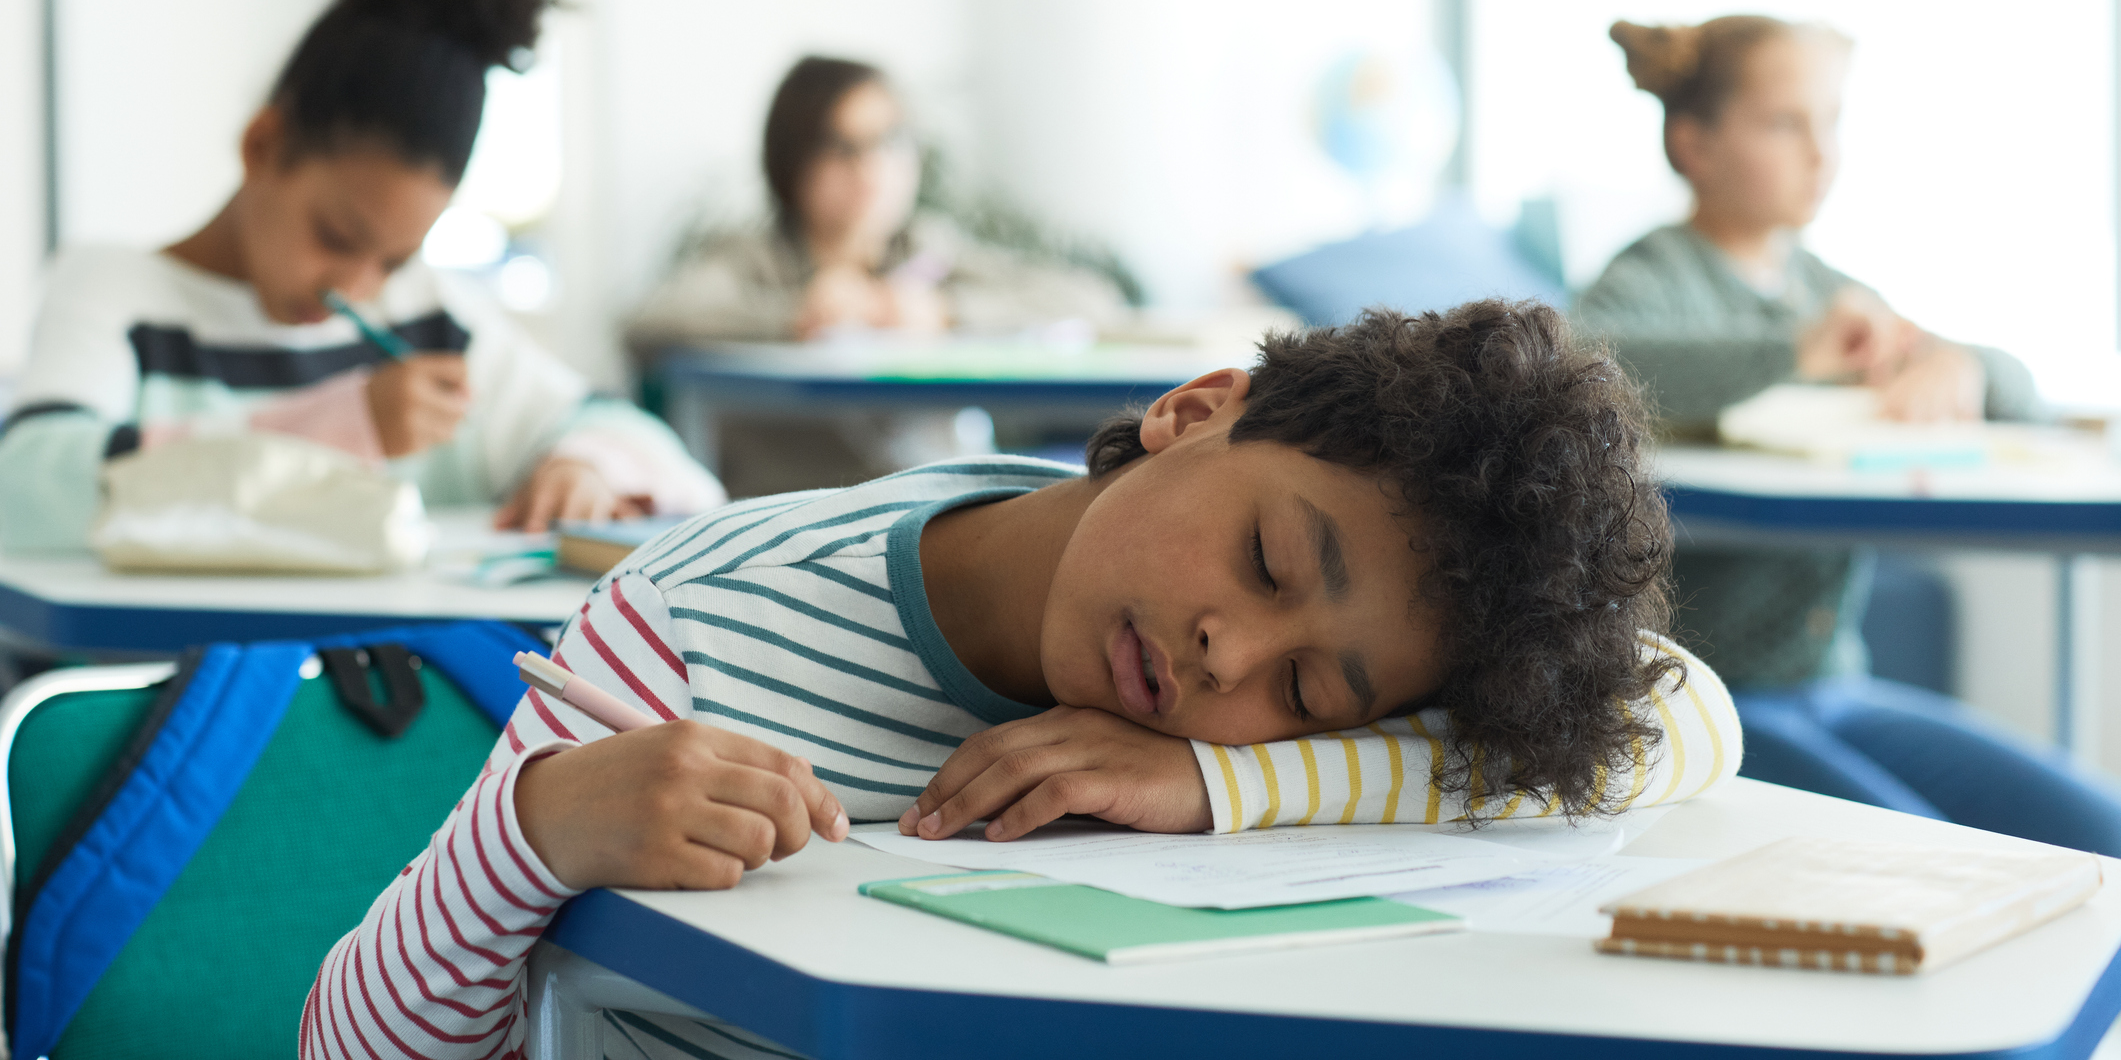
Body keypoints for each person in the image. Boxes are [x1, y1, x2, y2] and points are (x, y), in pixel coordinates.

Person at [303, 303, 1742, 1059]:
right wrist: (530, 830)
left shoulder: (1245, 739)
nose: (1227, 655)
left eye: (1307, 692)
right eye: (1259, 557)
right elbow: (343, 1046)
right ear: (1191, 413)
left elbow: (1683, 713)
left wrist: (1222, 777)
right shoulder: (691, 636)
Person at [0, 0, 721, 552]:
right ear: (262, 147)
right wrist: (335, 429)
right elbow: (25, 492)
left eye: (397, 258)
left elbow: (659, 458)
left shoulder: (428, 316)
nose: (357, 287)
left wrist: (581, 463)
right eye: (338, 238)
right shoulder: (114, 294)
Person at [1581, 14, 2121, 853]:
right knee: (1934, 857)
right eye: (1783, 123)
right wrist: (1788, 352)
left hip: (1835, 685)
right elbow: (1592, 363)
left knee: (2096, 829)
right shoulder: (1650, 279)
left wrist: (1961, 368)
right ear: (1693, 144)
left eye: (1829, 121)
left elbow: (2022, 400)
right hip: (1704, 701)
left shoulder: (1833, 292)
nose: (1819, 152)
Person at [627, 55, 1132, 493]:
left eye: (890, 142)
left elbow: (1090, 299)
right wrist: (796, 315)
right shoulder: (753, 259)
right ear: (790, 160)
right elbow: (652, 320)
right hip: (794, 518)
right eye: (840, 146)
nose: (871, 167)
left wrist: (945, 310)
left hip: (938, 511)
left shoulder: (930, 252)